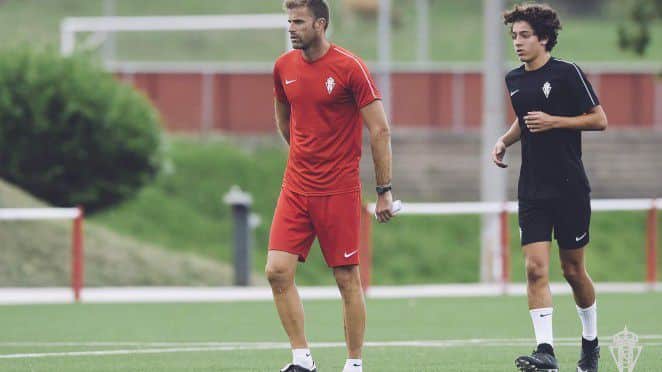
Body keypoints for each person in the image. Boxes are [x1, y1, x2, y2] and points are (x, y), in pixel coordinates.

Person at [266, 1, 395, 371]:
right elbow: (283, 115)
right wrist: (304, 155)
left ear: (320, 24)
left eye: (299, 21)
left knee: (345, 278)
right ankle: (301, 359)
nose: (292, 27)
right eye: (289, 20)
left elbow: (380, 129)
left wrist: (384, 189)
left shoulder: (349, 67)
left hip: (338, 190)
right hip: (295, 187)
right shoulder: (283, 67)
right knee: (277, 271)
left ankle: (354, 364)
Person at [493, 3, 608, 372]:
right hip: (533, 189)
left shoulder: (567, 73)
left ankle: (590, 344)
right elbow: (525, 121)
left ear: (544, 38)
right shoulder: (514, 79)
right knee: (535, 269)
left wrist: (555, 121)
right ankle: (546, 350)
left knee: (573, 270)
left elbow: (599, 120)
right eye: (514, 36)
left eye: (525, 35)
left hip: (570, 186)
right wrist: (504, 140)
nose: (518, 42)